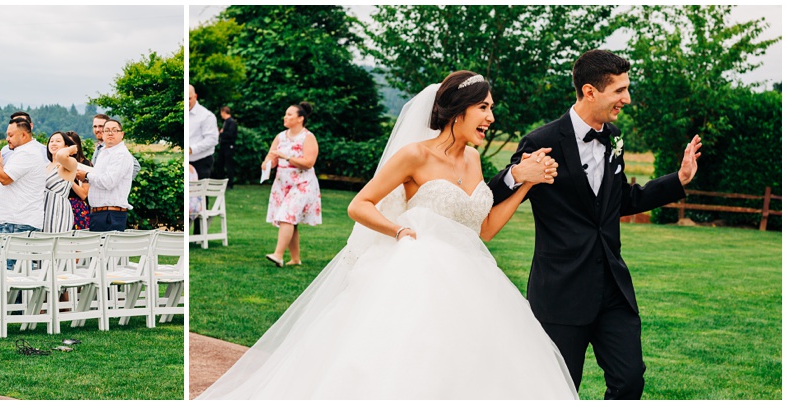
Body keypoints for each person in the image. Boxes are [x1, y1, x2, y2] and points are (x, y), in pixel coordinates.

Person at [198, 71, 577, 400]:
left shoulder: (474, 160)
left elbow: (486, 229)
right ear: (458, 110)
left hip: (472, 278)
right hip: (418, 272)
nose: (491, 118)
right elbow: (360, 204)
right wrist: (399, 229)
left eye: (490, 109)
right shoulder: (415, 155)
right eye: (484, 108)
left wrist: (526, 184)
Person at [487, 50, 702, 400]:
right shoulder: (541, 141)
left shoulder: (613, 137)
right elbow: (492, 194)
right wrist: (516, 173)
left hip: (612, 290)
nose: (627, 99)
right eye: (619, 90)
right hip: (560, 293)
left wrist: (678, 179)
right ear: (590, 91)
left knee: (630, 381)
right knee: (558, 389)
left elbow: (623, 201)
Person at [261, 102, 322, 267]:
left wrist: (286, 157)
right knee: (289, 220)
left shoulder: (308, 137)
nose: (285, 117)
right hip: (282, 184)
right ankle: (295, 259)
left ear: (300, 118)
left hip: (302, 183)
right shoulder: (280, 137)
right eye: (285, 114)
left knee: (286, 216)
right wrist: (267, 163)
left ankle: (278, 255)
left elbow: (309, 162)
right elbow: (270, 157)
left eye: (289, 114)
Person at [0, 117, 49, 235]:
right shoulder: (23, 151)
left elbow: (4, 179)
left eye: (10, 135)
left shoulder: (26, 153)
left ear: (23, 135)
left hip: (18, 222)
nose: (7, 139)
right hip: (16, 220)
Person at [84, 119, 135, 232]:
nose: (110, 133)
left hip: (111, 214)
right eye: (107, 130)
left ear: (121, 134)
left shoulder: (121, 154)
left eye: (114, 130)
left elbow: (109, 182)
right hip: (98, 213)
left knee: (109, 249)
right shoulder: (103, 152)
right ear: (102, 134)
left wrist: (87, 175)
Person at [42, 131, 83, 233]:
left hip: (57, 211)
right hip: (43, 211)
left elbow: (61, 155)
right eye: (51, 141)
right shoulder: (45, 166)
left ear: (66, 145)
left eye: (58, 141)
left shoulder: (69, 163)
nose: (53, 143)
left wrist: (71, 149)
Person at [188, 84, 220, 179]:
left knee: (200, 193)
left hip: (200, 162)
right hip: (185, 163)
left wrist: (191, 149)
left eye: (189, 98)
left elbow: (212, 140)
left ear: (195, 96)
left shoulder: (206, 116)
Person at [63, 131, 92, 230]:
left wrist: (69, 178)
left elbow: (83, 194)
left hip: (77, 208)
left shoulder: (85, 164)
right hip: (60, 205)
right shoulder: (57, 163)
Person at [214, 106, 238, 188]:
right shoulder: (226, 122)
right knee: (220, 164)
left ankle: (230, 184)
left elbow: (230, 135)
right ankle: (220, 181)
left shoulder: (231, 122)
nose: (221, 115)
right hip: (223, 146)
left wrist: (221, 133)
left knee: (229, 165)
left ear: (224, 112)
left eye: (221, 113)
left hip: (229, 146)